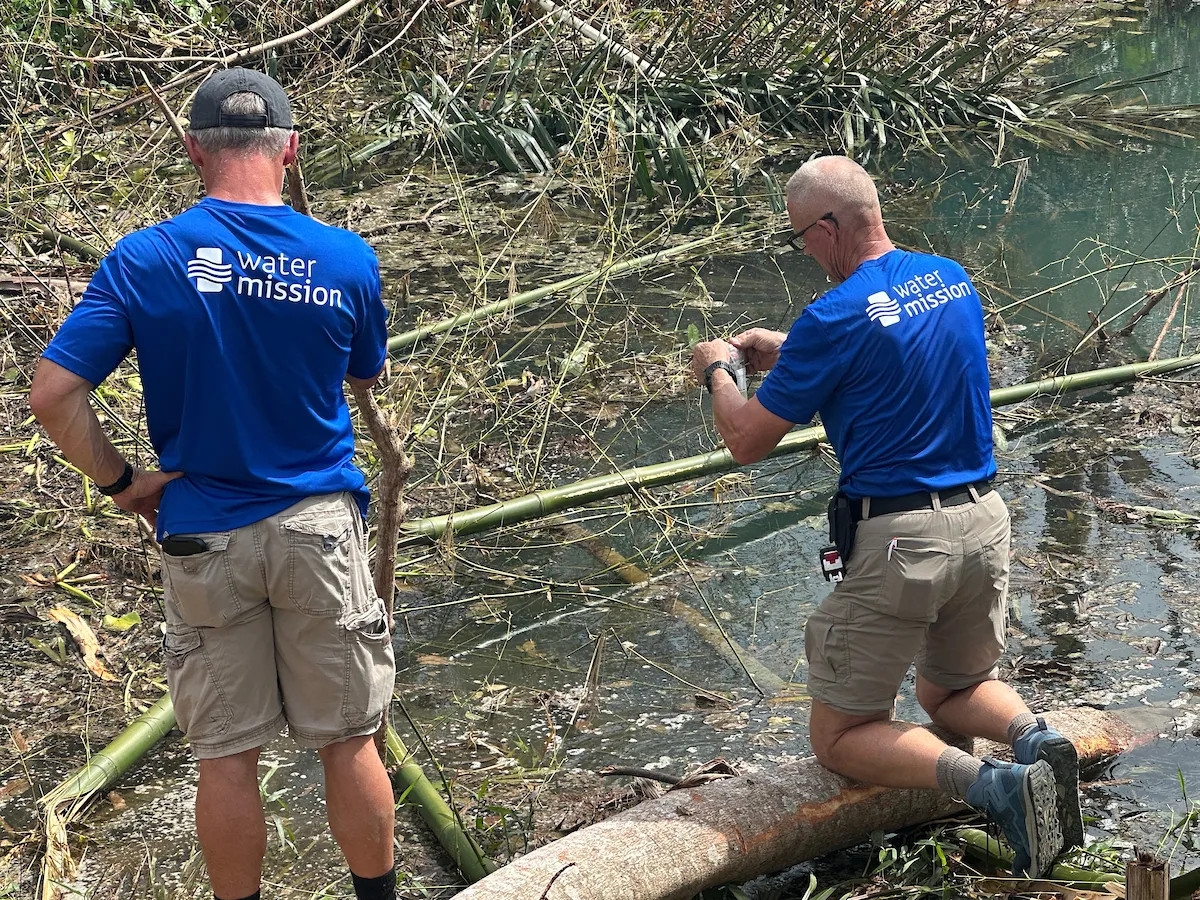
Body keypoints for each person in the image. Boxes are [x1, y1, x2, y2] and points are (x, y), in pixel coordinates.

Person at [29, 68, 398, 900]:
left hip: (203, 533)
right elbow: (364, 371)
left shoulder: (146, 257)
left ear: (194, 149)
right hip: (317, 526)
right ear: (290, 149)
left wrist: (123, 481)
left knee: (225, 754)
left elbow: (52, 394)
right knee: (350, 737)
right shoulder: (344, 258)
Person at [689, 156, 1084, 877]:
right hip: (985, 519)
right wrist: (790, 349)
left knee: (840, 736)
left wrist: (720, 369)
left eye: (802, 235)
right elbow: (891, 345)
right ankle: (1035, 737)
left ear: (832, 225)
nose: (804, 250)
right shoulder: (949, 276)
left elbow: (747, 440)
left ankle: (995, 786)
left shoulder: (832, 318)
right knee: (953, 689)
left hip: (906, 542)